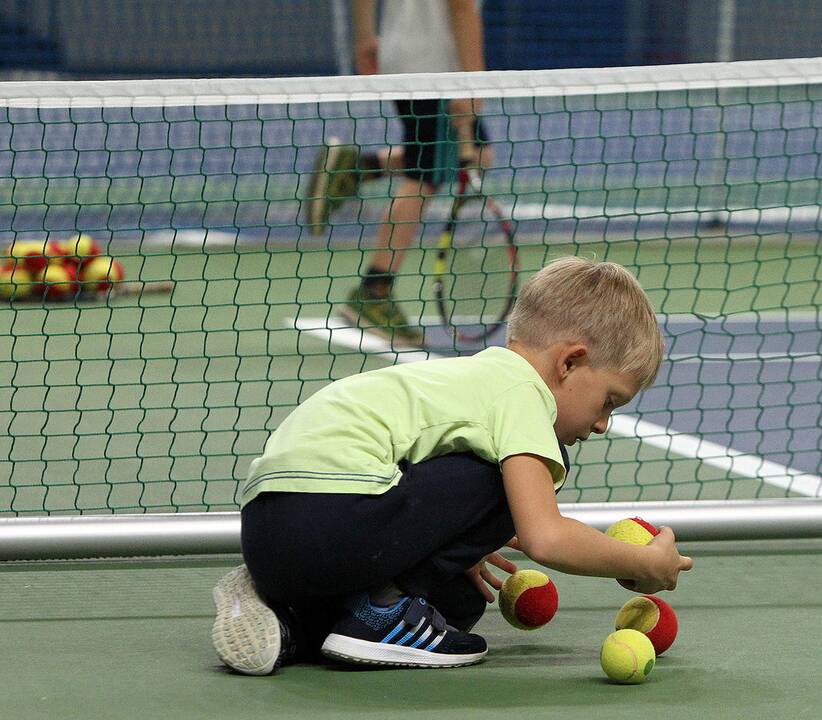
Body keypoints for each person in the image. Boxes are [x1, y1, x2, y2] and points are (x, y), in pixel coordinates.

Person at [211, 256, 694, 674]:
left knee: (458, 601)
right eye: (609, 400)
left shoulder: (471, 379)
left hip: (268, 533)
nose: (603, 424)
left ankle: (284, 621)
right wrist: (642, 562)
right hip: (331, 518)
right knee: (521, 477)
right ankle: (380, 613)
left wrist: (445, 544)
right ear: (569, 362)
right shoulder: (522, 393)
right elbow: (545, 537)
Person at [304, 0, 494, 347]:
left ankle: (358, 169)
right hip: (436, 65)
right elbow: (462, 5)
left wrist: (365, 37)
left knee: (479, 152)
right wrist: (473, 80)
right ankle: (375, 290)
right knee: (425, 176)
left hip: (402, 51)